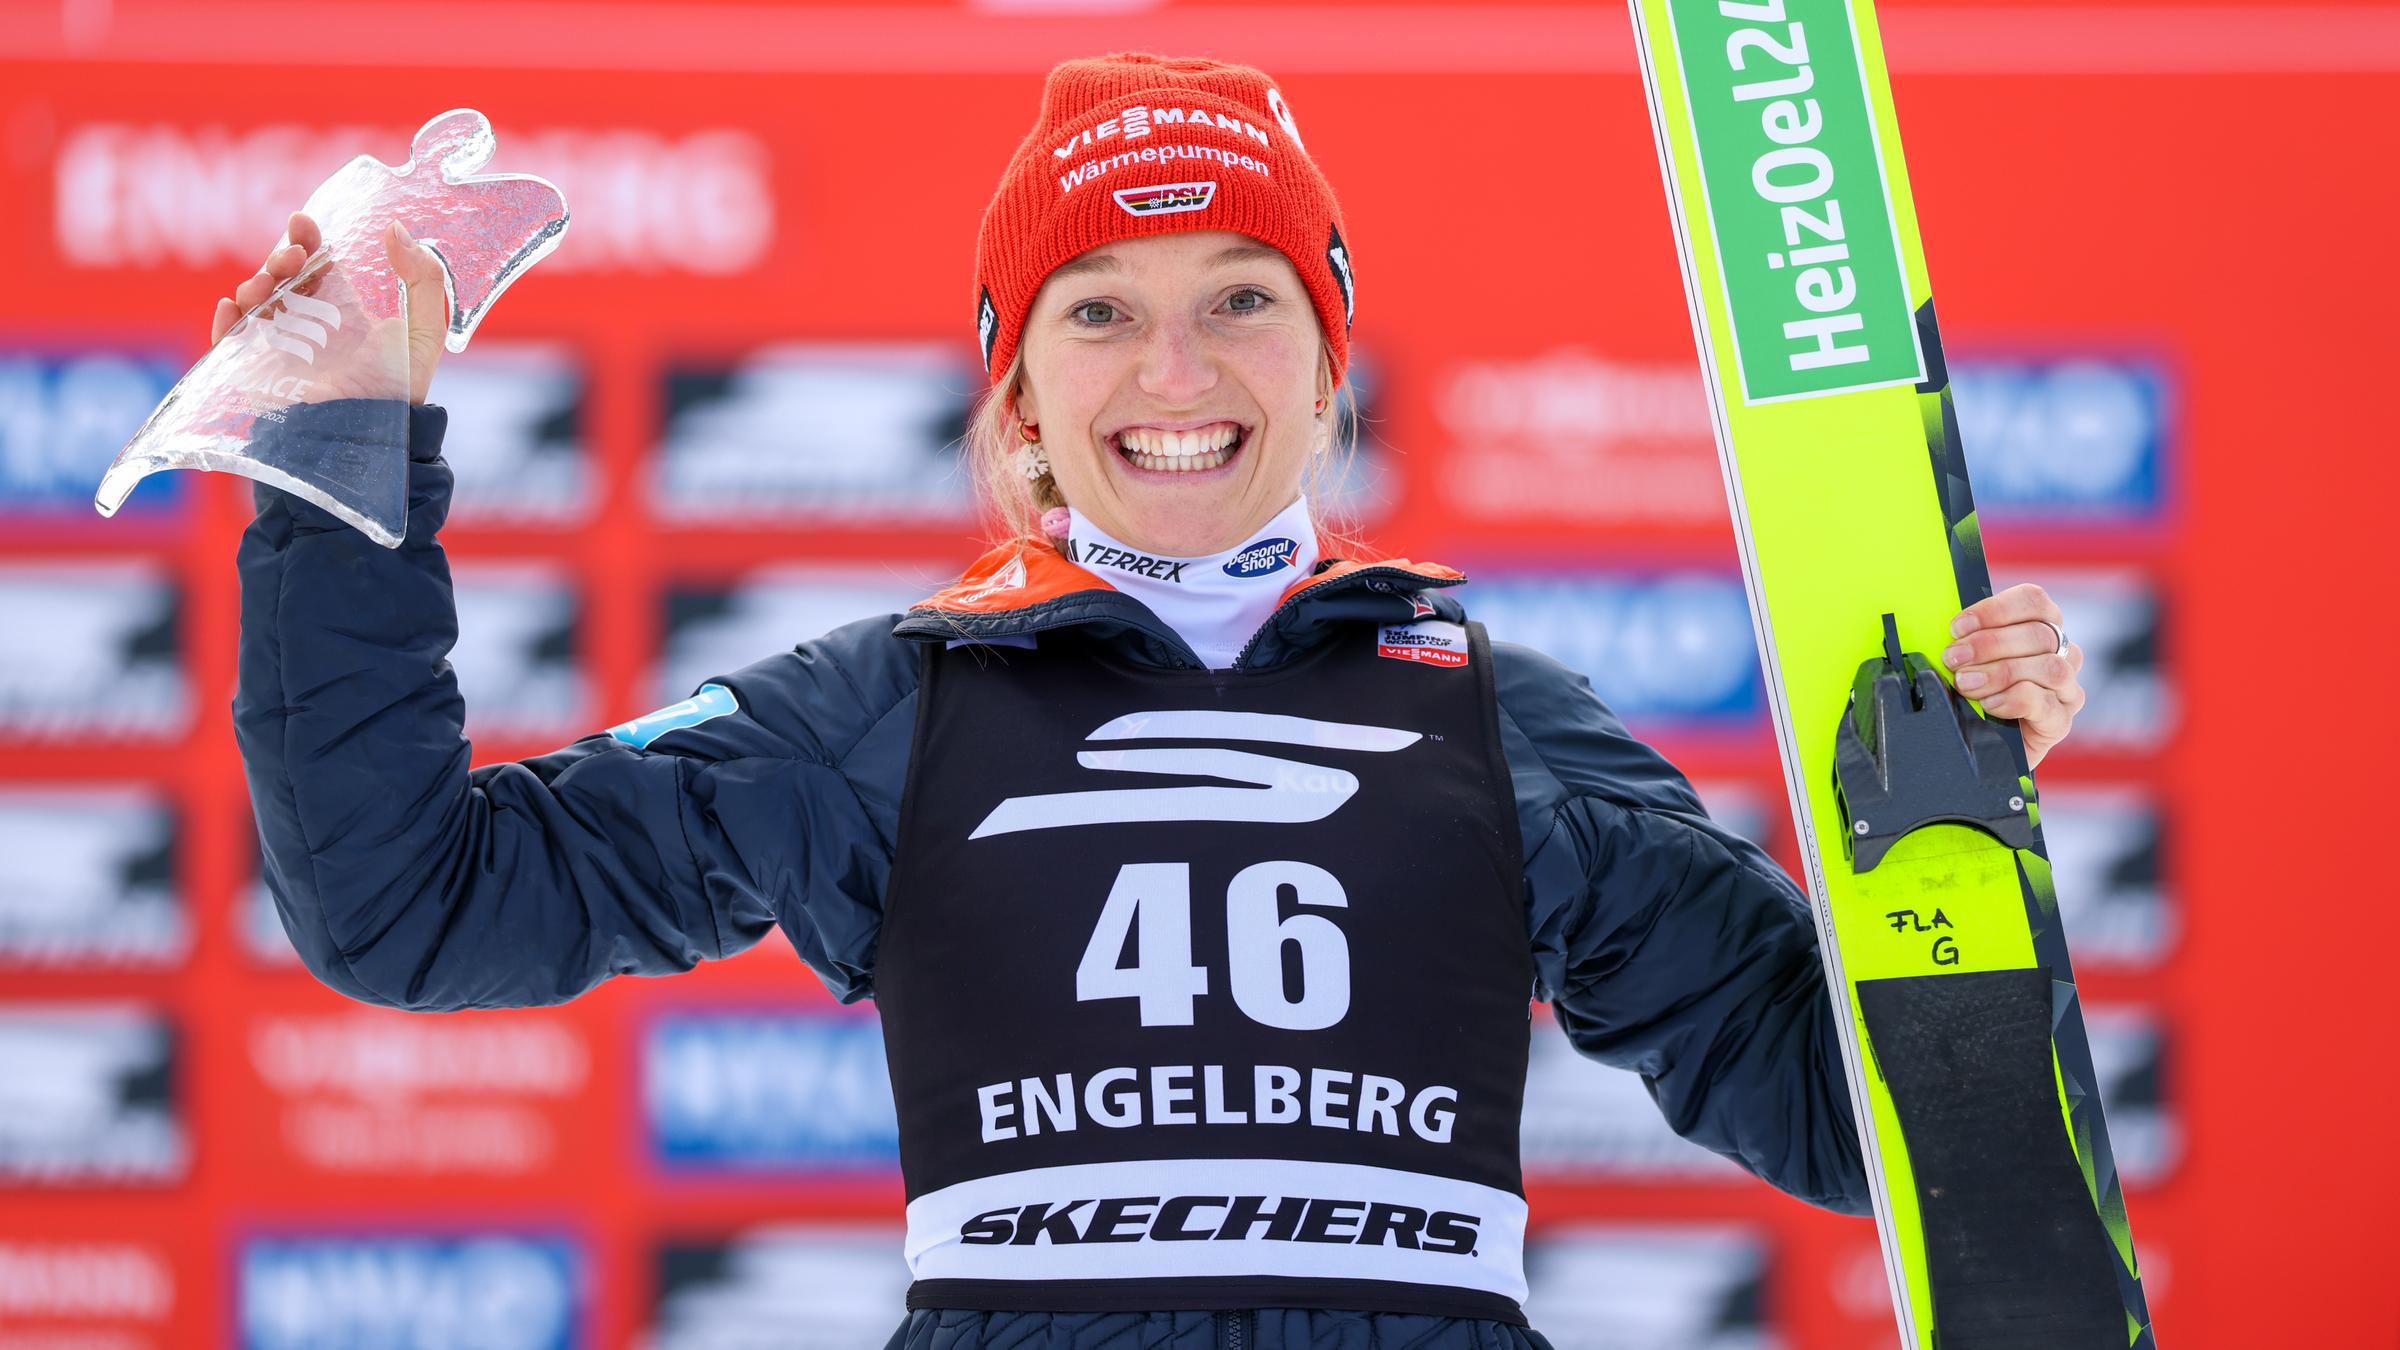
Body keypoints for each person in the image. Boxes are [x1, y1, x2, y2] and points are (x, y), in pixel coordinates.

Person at [222, 53, 2090, 1350]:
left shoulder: (1498, 720)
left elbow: (1874, 1132)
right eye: (1099, 308)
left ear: (1329, 356)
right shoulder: (885, 711)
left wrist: (1946, 837)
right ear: (1019, 392)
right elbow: (415, 907)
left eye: (1243, 298)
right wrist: (338, 448)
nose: (1175, 370)